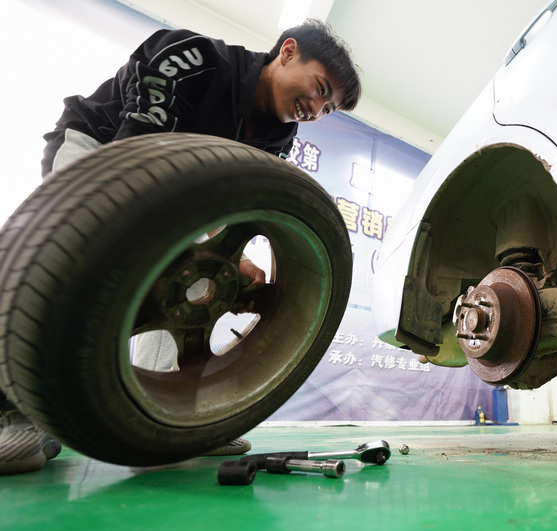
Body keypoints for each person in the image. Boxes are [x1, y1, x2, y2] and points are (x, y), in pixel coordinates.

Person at [0, 19, 361, 475]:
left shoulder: (277, 139)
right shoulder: (193, 58)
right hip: (98, 150)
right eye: (320, 88)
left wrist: (236, 256)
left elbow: (228, 209)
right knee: (60, 262)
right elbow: (135, 159)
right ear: (288, 52)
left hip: (172, 199)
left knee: (180, 287)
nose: (316, 108)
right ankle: (17, 413)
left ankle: (180, 421)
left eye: (328, 109)